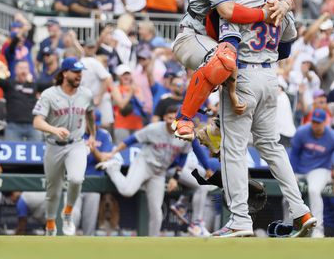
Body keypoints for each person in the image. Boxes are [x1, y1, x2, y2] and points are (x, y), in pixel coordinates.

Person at [214, 0, 314, 238]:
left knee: (233, 149)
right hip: (271, 76)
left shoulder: (238, 5)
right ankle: (300, 211)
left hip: (244, 74)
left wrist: (231, 90)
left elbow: (228, 51)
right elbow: (288, 40)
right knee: (271, 146)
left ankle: (239, 219)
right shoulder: (278, 5)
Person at [171, 0, 290, 140]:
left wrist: (283, 5)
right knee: (224, 60)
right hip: (191, 38)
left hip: (218, 41)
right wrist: (263, 14)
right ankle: (184, 119)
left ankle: (214, 133)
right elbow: (227, 11)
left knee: (244, 76)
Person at [96, 107, 213, 237]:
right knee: (127, 191)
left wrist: (175, 177)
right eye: (169, 117)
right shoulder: (154, 128)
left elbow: (183, 157)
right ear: (164, 118)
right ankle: (113, 168)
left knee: (157, 212)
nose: (172, 120)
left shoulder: (184, 133)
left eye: (175, 118)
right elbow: (132, 139)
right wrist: (113, 153)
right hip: (145, 164)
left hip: (159, 172)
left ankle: (154, 242)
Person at [32, 57, 95, 236]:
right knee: (53, 190)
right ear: (64, 73)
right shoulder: (49, 94)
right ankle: (50, 224)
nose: (79, 75)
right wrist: (53, 129)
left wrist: (93, 135)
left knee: (76, 179)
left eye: (80, 72)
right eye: (75, 72)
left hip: (76, 144)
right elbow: (37, 122)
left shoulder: (86, 94)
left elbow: (90, 115)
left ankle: (68, 213)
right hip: (54, 145)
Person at [290, 109, 334, 238]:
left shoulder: (333, 137)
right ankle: (289, 226)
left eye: (318, 122)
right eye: (314, 122)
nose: (315, 125)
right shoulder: (302, 132)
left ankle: (318, 230)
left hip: (320, 169)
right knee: (288, 193)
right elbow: (294, 153)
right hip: (300, 169)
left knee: (314, 190)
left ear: (325, 122)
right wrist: (292, 172)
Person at [70, 126, 114, 236]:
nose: (93, 126)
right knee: (73, 214)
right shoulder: (75, 133)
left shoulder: (103, 135)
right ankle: (68, 244)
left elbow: (104, 159)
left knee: (89, 221)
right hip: (75, 180)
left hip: (94, 182)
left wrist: (93, 149)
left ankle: (87, 249)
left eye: (95, 124)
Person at [0, 60, 41, 142]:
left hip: (33, 125)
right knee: (12, 152)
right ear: (15, 70)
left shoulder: (34, 85)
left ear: (29, 71)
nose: (23, 70)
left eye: (25, 68)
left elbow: (51, 85)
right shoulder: (9, 84)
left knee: (37, 152)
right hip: (13, 126)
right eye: (21, 68)